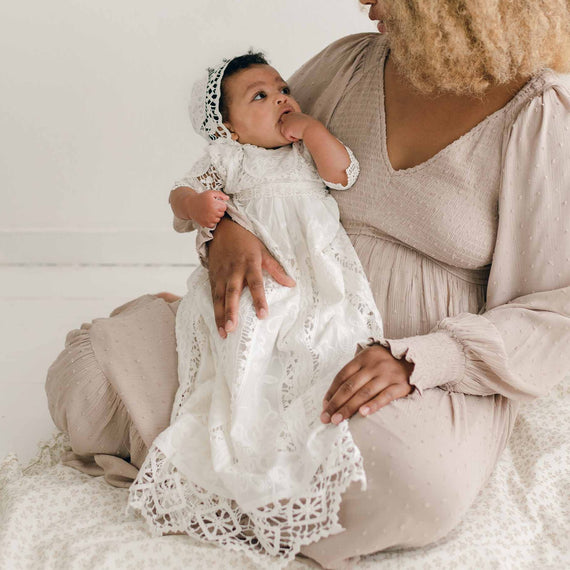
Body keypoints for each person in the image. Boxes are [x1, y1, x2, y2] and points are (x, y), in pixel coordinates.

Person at [45, 1, 570, 568]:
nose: (365, 2)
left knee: (410, 482)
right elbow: (249, 164)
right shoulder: (351, 65)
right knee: (86, 380)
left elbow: (555, 306)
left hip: (415, 366)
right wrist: (222, 235)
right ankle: (222, 403)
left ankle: (227, 469)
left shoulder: (540, 115)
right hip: (278, 328)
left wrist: (420, 361)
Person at [127, 52, 384, 567]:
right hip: (261, 279)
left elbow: (344, 173)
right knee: (250, 336)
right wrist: (199, 209)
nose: (281, 100)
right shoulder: (229, 158)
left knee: (326, 337)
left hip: (319, 274)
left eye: (283, 89)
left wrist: (311, 130)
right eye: (259, 97)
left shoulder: (305, 152)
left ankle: (305, 430)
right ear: (229, 127)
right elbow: (180, 195)